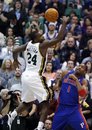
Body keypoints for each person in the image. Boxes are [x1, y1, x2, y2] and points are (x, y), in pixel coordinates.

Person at [8, 16, 69, 130]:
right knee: (46, 100)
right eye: (39, 35)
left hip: (25, 76)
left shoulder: (28, 44)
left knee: (28, 101)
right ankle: (40, 127)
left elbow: (15, 50)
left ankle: (11, 116)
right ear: (35, 39)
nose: (42, 36)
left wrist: (15, 60)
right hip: (35, 76)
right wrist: (64, 24)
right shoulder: (42, 45)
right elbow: (59, 38)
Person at [52, 64, 89, 130]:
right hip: (61, 108)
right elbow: (59, 84)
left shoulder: (83, 81)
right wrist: (57, 87)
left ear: (85, 72)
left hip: (73, 109)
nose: (79, 67)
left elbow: (83, 94)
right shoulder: (66, 73)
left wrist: (76, 80)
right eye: (79, 66)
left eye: (82, 67)